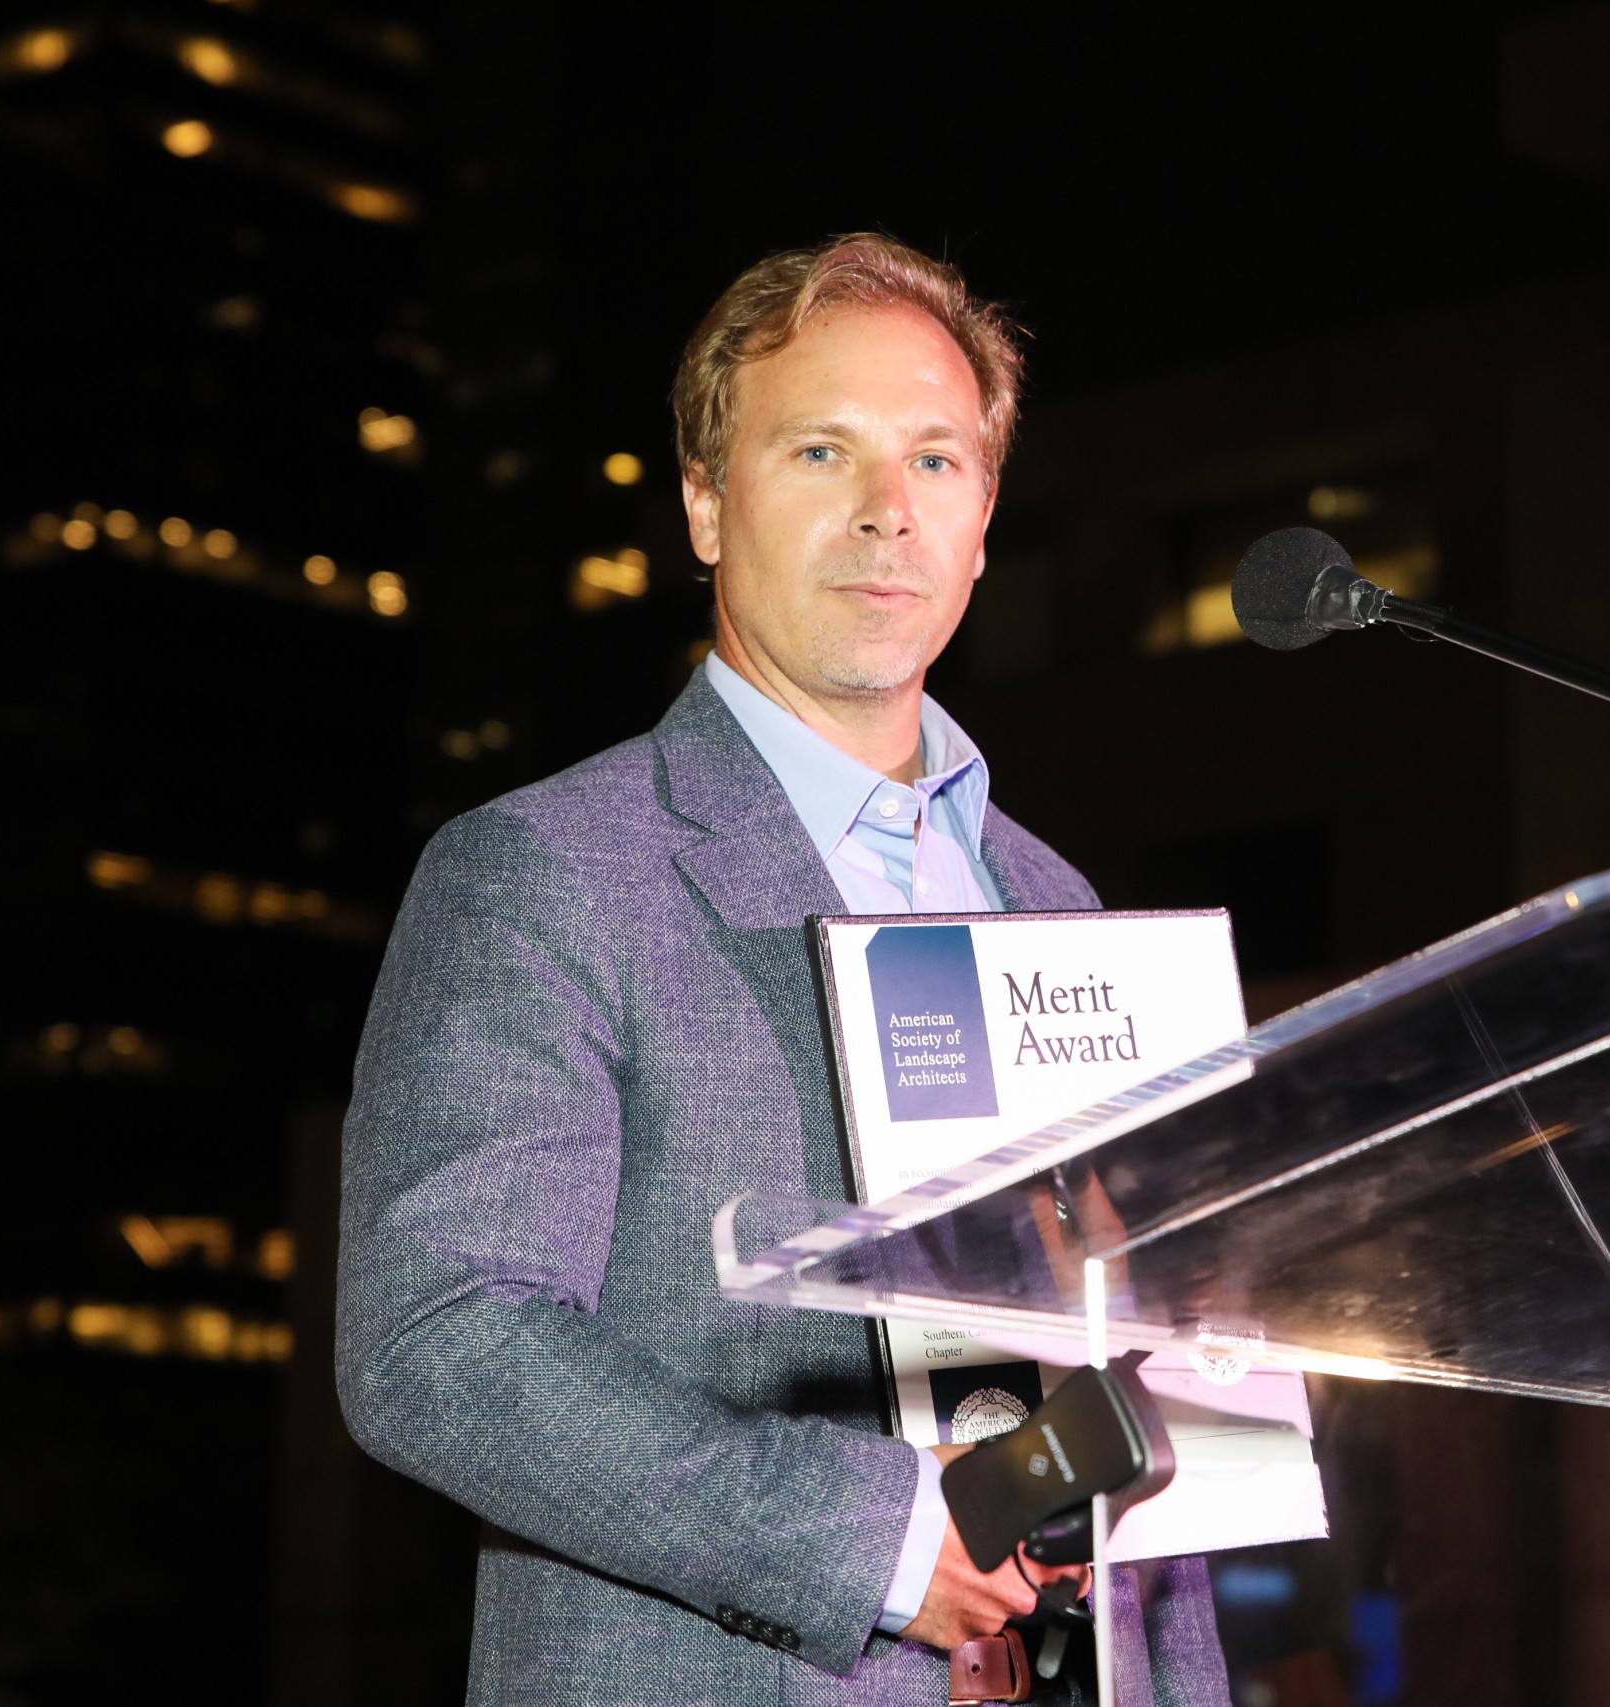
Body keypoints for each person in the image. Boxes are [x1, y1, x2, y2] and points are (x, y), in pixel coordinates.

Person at [337, 233, 1228, 1706]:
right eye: (822, 452)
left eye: (936, 461)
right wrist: (878, 1542)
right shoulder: (545, 870)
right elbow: (440, 1342)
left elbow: (1151, 1382)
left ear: (984, 524)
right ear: (704, 504)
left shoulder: (1060, 904)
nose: (888, 509)